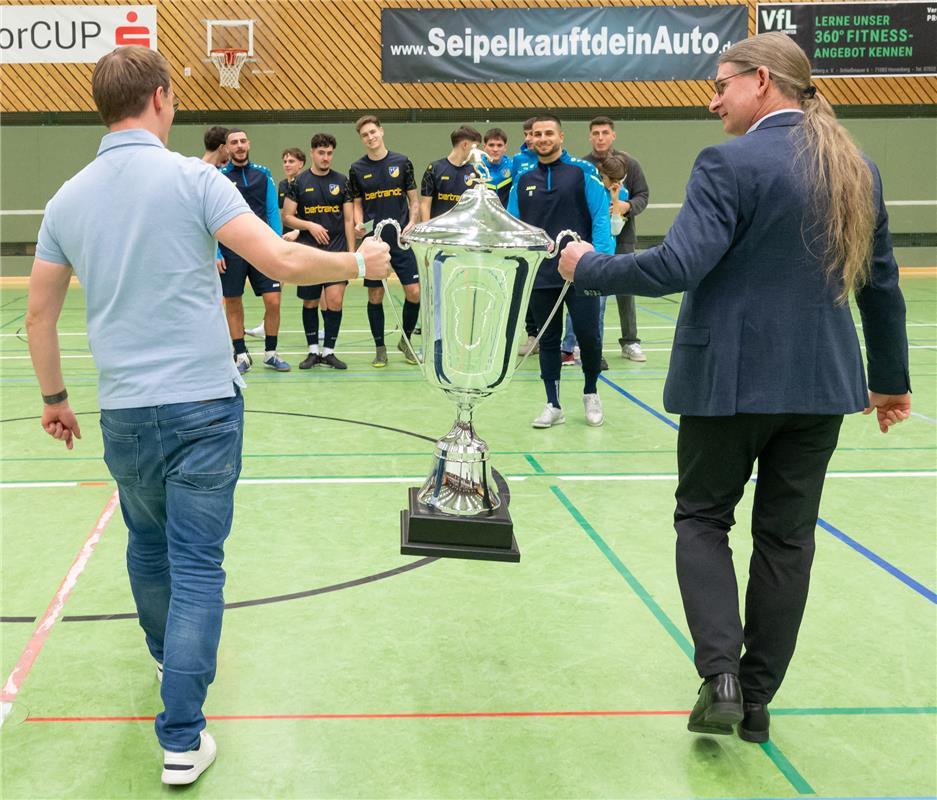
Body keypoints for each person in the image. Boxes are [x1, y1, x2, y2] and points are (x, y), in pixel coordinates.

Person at [25, 46, 389, 786]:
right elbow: (280, 264)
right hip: (200, 408)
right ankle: (182, 732)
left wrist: (55, 400)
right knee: (196, 565)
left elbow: (39, 313)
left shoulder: (66, 197)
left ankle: (169, 657)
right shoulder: (197, 179)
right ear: (160, 98)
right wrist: (359, 265)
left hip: (125, 413)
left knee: (146, 544)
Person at [559, 32, 911, 743]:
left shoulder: (728, 161)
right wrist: (888, 382)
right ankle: (754, 701)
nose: (711, 99)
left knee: (702, 519)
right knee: (787, 541)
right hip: (820, 388)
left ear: (759, 81)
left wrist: (583, 264)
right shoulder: (856, 167)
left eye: (719, 84)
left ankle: (718, 674)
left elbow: (674, 268)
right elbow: (880, 284)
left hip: (727, 382)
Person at [507, 114, 613, 428]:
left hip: (581, 271)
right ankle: (553, 404)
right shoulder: (523, 178)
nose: (542, 138)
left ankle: (591, 392)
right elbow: (515, 226)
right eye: (537, 134)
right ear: (530, 138)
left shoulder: (582, 171)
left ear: (561, 137)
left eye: (548, 133)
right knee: (549, 340)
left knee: (589, 337)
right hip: (542, 275)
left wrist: (599, 263)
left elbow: (600, 216)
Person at [348, 114, 421, 367]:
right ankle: (380, 348)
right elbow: (358, 204)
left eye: (372, 132)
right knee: (375, 295)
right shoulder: (357, 169)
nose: (370, 137)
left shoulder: (402, 162)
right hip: (375, 242)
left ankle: (406, 341)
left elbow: (414, 200)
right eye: (364, 135)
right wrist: (359, 223)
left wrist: (412, 223)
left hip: (400, 240)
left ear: (382, 131)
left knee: (414, 293)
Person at [219, 129, 290, 373]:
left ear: (248, 144)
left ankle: (270, 353)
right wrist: (217, 253)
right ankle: (241, 354)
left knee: (274, 300)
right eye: (233, 143)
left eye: (242, 141)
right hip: (231, 250)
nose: (239, 146)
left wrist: (278, 245)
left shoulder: (263, 174)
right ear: (226, 148)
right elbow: (213, 218)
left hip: (262, 248)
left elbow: (272, 212)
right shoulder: (218, 177)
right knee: (233, 301)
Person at [282, 133, 355, 369]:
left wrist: (352, 254)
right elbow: (288, 217)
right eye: (321, 153)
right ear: (312, 152)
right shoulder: (298, 183)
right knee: (311, 302)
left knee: (335, 301)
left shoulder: (342, 181)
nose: (326, 157)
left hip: (336, 251)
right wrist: (309, 225)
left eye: (329, 153)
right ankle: (312, 351)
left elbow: (348, 220)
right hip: (309, 252)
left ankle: (329, 352)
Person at [584, 116, 650, 363]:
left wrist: (626, 205)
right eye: (596, 133)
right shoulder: (583, 166)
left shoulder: (629, 164)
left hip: (623, 239)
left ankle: (630, 342)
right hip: (593, 240)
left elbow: (643, 195)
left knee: (626, 289)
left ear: (613, 136)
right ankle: (585, 345)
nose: (600, 137)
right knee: (590, 294)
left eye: (605, 132)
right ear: (590, 137)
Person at [246, 147, 306, 340]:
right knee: (275, 287)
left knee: (315, 283)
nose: (287, 165)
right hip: (284, 240)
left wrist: (298, 231)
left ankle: (321, 328)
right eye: (285, 161)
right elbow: (280, 213)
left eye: (292, 161)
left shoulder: (307, 183)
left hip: (305, 238)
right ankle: (266, 325)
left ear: (301, 164)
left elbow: (312, 213)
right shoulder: (281, 185)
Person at [420, 125, 482, 220]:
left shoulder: (475, 173)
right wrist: (426, 232)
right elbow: (425, 205)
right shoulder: (434, 169)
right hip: (438, 232)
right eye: (476, 147)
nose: (477, 152)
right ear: (465, 145)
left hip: (463, 232)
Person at [481, 127, 514, 207]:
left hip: (506, 217)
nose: (495, 149)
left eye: (499, 145)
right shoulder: (475, 169)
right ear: (484, 147)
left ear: (505, 147)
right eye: (491, 145)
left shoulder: (513, 166)